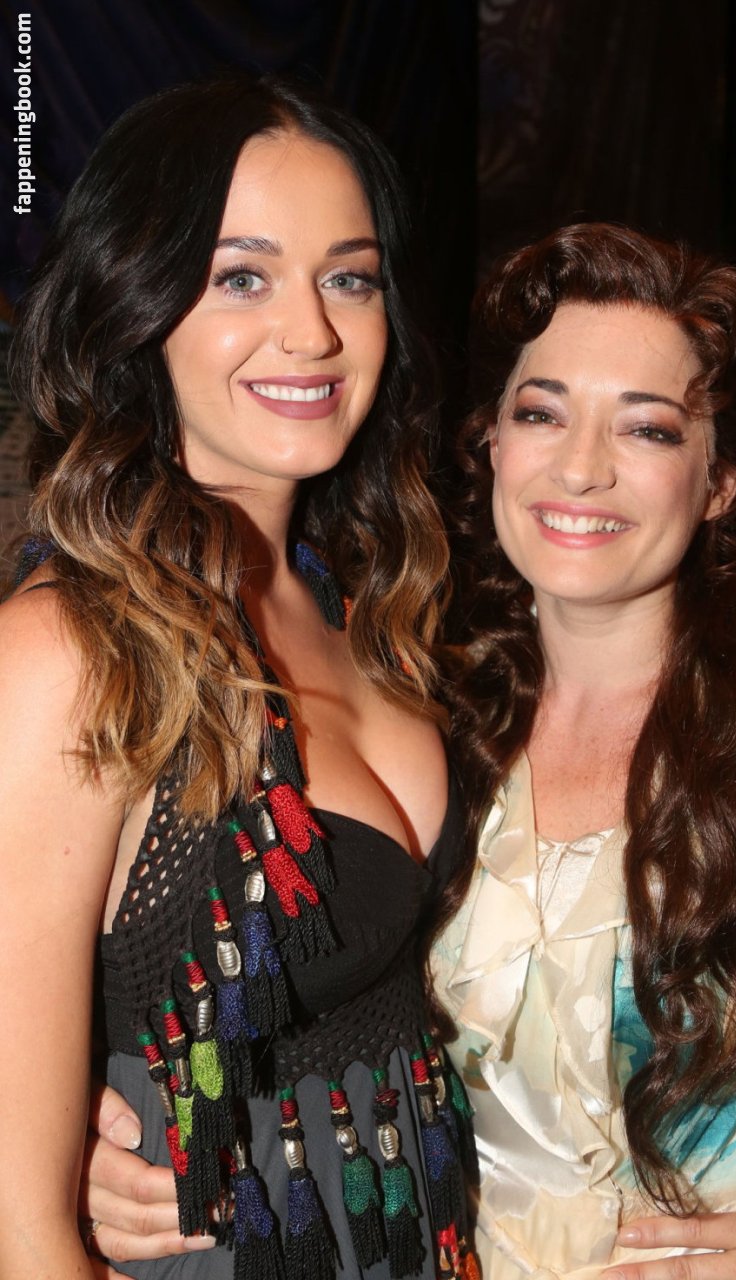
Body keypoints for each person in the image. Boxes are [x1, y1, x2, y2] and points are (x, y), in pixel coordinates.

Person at [0, 74, 477, 1280]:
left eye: (349, 278)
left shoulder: (364, 605)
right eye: (241, 277)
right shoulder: (66, 652)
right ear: (137, 300)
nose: (312, 331)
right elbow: (19, 1234)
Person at [432, 223, 736, 1279]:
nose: (578, 468)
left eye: (645, 428)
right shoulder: (425, 709)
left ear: (719, 480)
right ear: (492, 440)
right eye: (540, 412)